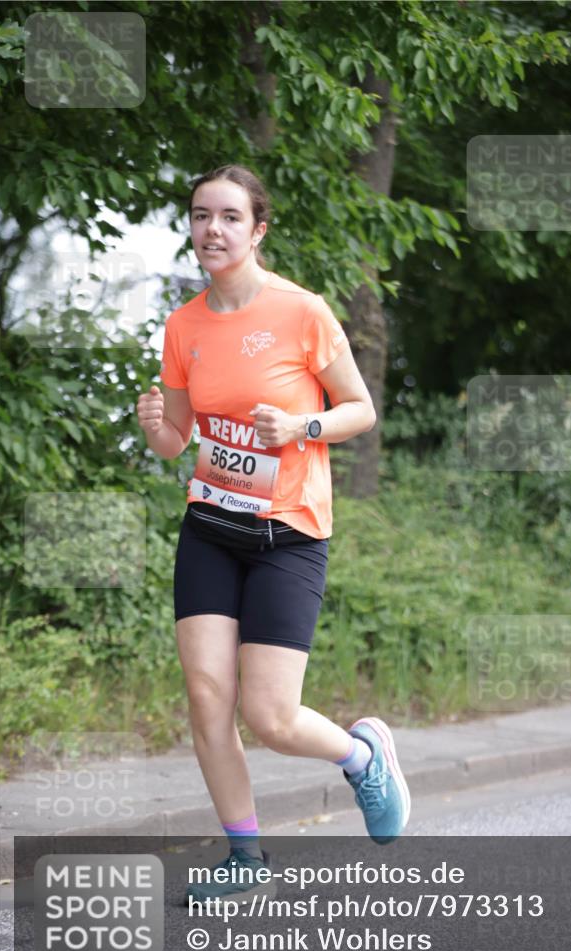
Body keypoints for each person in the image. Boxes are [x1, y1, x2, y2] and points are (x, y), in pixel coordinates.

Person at [136, 164, 410, 901]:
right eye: (200, 216)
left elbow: (360, 409)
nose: (212, 230)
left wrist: (301, 424)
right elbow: (181, 439)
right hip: (210, 525)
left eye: (229, 217)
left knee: (270, 715)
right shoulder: (183, 324)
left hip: (288, 532)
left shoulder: (302, 312)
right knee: (204, 695)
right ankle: (244, 858)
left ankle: (360, 755)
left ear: (257, 230)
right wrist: (160, 429)